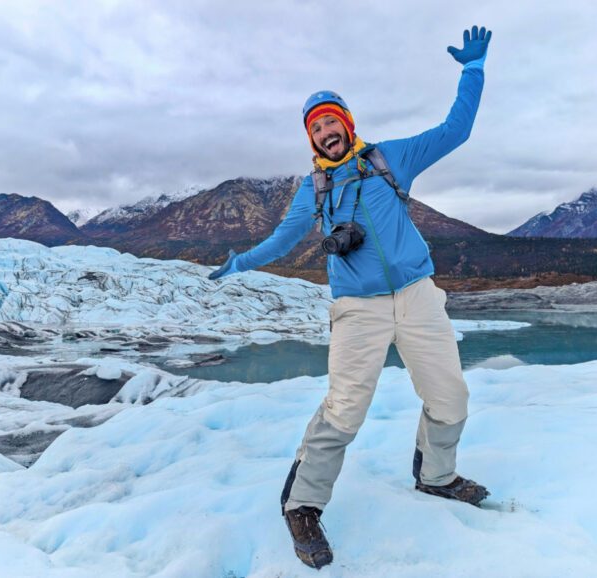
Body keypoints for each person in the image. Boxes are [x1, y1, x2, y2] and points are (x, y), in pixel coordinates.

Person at [208, 26, 493, 569]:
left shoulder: (390, 159)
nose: (325, 132)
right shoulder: (311, 191)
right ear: (311, 139)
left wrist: (472, 71)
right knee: (344, 410)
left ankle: (436, 477)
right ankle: (303, 506)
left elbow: (456, 129)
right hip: (357, 310)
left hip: (417, 295)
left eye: (331, 121)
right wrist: (241, 262)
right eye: (316, 129)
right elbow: (283, 240)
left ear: (347, 123)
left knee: (450, 397)